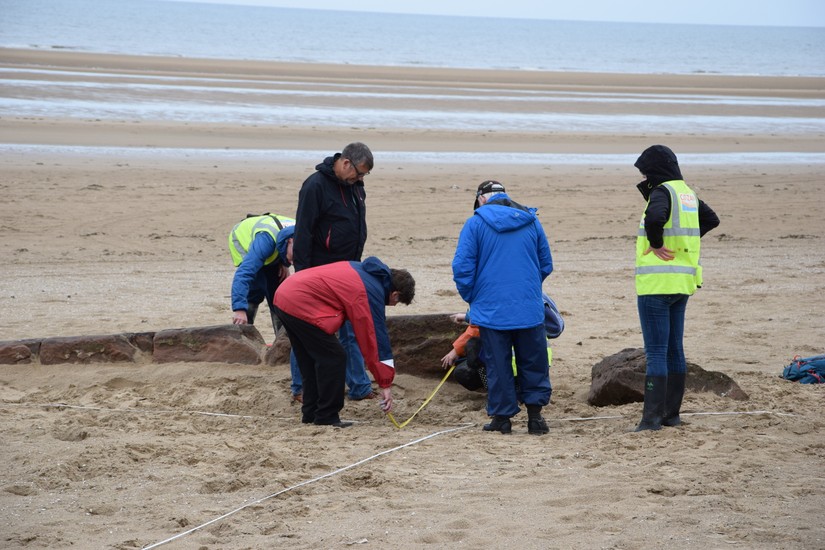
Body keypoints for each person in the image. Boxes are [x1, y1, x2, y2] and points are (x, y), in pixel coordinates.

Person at [452, 180, 554, 435]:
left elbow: (462, 268)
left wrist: (474, 298)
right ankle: (535, 417)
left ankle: (502, 418)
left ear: (482, 199)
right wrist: (528, 288)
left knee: (498, 365)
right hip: (527, 307)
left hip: (492, 310)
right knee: (534, 361)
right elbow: (545, 264)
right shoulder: (531, 220)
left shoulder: (475, 223)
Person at [632, 145, 720, 431]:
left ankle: (652, 419)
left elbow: (654, 219)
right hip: (682, 283)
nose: (644, 175)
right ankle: (671, 415)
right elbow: (710, 219)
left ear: (655, 169)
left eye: (645, 170)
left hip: (657, 284)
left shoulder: (663, 192)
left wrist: (658, 245)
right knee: (674, 351)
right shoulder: (686, 193)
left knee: (656, 352)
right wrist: (681, 245)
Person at [273, 257, 415, 427]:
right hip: (299, 302)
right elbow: (376, 340)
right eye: (396, 303)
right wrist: (385, 383)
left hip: (284, 296)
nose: (391, 305)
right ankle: (327, 415)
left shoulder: (365, 272)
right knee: (335, 357)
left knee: (309, 358)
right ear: (395, 294)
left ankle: (311, 413)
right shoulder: (372, 290)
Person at [292, 142, 376, 401]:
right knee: (309, 331)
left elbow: (356, 226)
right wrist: (302, 273)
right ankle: (301, 388)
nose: (360, 179)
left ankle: (359, 387)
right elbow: (303, 231)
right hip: (318, 271)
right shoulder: (315, 185)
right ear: (346, 162)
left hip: (349, 269)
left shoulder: (355, 187)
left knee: (350, 330)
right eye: (359, 173)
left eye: (364, 176)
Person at [228, 214, 302, 400]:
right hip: (244, 241)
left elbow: (290, 249)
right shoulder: (264, 242)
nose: (295, 261)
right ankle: (243, 336)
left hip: (276, 246)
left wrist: (284, 262)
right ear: (290, 241)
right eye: (294, 256)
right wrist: (239, 308)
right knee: (255, 286)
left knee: (278, 291)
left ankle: (281, 344)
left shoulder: (301, 231)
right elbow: (244, 273)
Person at [441, 293, 563, 391]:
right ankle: (532, 409)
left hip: (509, 371)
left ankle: (498, 390)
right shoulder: (535, 294)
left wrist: (468, 317)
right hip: (538, 370)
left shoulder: (498, 293)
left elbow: (488, 319)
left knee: (473, 350)